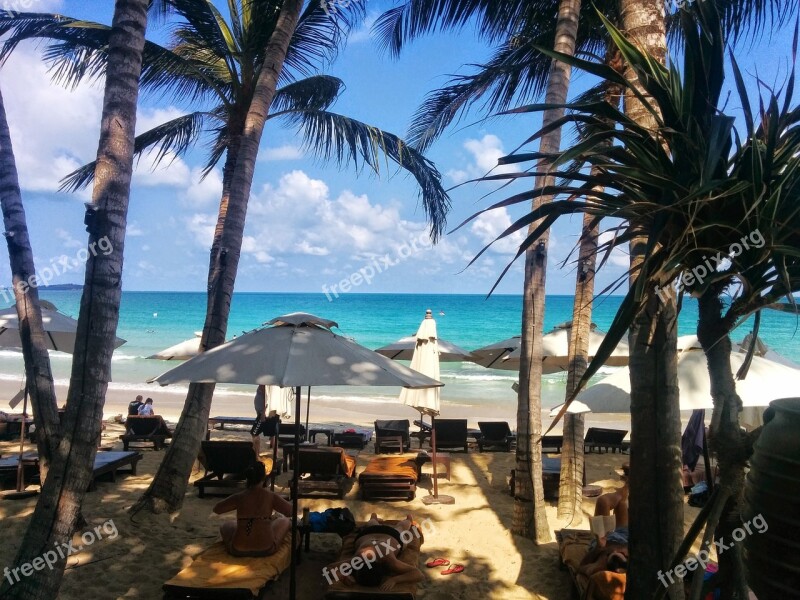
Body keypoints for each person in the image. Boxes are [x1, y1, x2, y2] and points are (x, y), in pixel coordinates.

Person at [327, 513, 424, 591]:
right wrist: (343, 576)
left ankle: (407, 520)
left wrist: (395, 580)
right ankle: (406, 519)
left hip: (383, 534)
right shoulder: (358, 560)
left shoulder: (388, 560)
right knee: (400, 528)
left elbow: (419, 575)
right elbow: (328, 569)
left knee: (400, 529)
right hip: (370, 533)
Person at [213, 461, 291, 557]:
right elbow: (290, 511)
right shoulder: (270, 496)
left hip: (238, 548)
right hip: (266, 548)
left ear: (247, 477)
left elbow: (217, 509)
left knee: (226, 525)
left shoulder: (239, 496)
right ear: (263, 478)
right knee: (284, 521)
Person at [250, 386, 280, 455]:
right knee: (273, 434)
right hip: (265, 414)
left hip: (264, 415)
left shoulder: (265, 385)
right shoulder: (265, 384)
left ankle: (256, 454)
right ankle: (275, 455)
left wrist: (263, 413)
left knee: (254, 433)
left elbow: (268, 399)